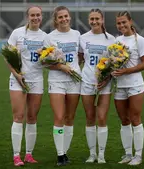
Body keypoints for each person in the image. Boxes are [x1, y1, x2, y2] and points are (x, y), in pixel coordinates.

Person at [5, 6, 47, 167]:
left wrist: (46, 56)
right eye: (32, 15)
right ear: (27, 17)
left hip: (36, 80)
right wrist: (16, 74)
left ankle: (29, 154)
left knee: (32, 118)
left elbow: (49, 60)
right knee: (18, 117)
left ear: (41, 17)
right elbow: (8, 57)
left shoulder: (45, 37)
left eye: (38, 15)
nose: (35, 17)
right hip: (18, 79)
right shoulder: (17, 33)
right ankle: (17, 156)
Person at [43, 6, 81, 166]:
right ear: (56, 20)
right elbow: (44, 62)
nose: (64, 19)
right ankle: (60, 155)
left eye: (66, 16)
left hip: (74, 81)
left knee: (70, 118)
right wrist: (61, 67)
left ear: (70, 17)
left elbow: (81, 56)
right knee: (59, 117)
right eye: (60, 17)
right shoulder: (49, 37)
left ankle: (65, 152)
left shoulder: (77, 35)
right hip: (57, 81)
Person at [111, 11, 144, 166]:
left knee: (135, 119)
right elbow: (112, 61)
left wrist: (126, 71)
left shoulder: (140, 40)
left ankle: (138, 155)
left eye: (124, 22)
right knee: (124, 120)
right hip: (119, 86)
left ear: (130, 21)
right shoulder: (117, 40)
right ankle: (127, 154)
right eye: (119, 23)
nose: (121, 26)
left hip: (135, 85)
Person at [79, 8, 115, 164]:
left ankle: (101, 154)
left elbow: (115, 62)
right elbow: (79, 58)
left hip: (105, 83)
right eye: (91, 19)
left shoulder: (111, 39)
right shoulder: (83, 38)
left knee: (101, 118)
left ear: (102, 20)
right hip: (86, 81)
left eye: (97, 19)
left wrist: (106, 79)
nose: (94, 22)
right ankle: (92, 154)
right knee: (90, 118)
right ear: (89, 21)